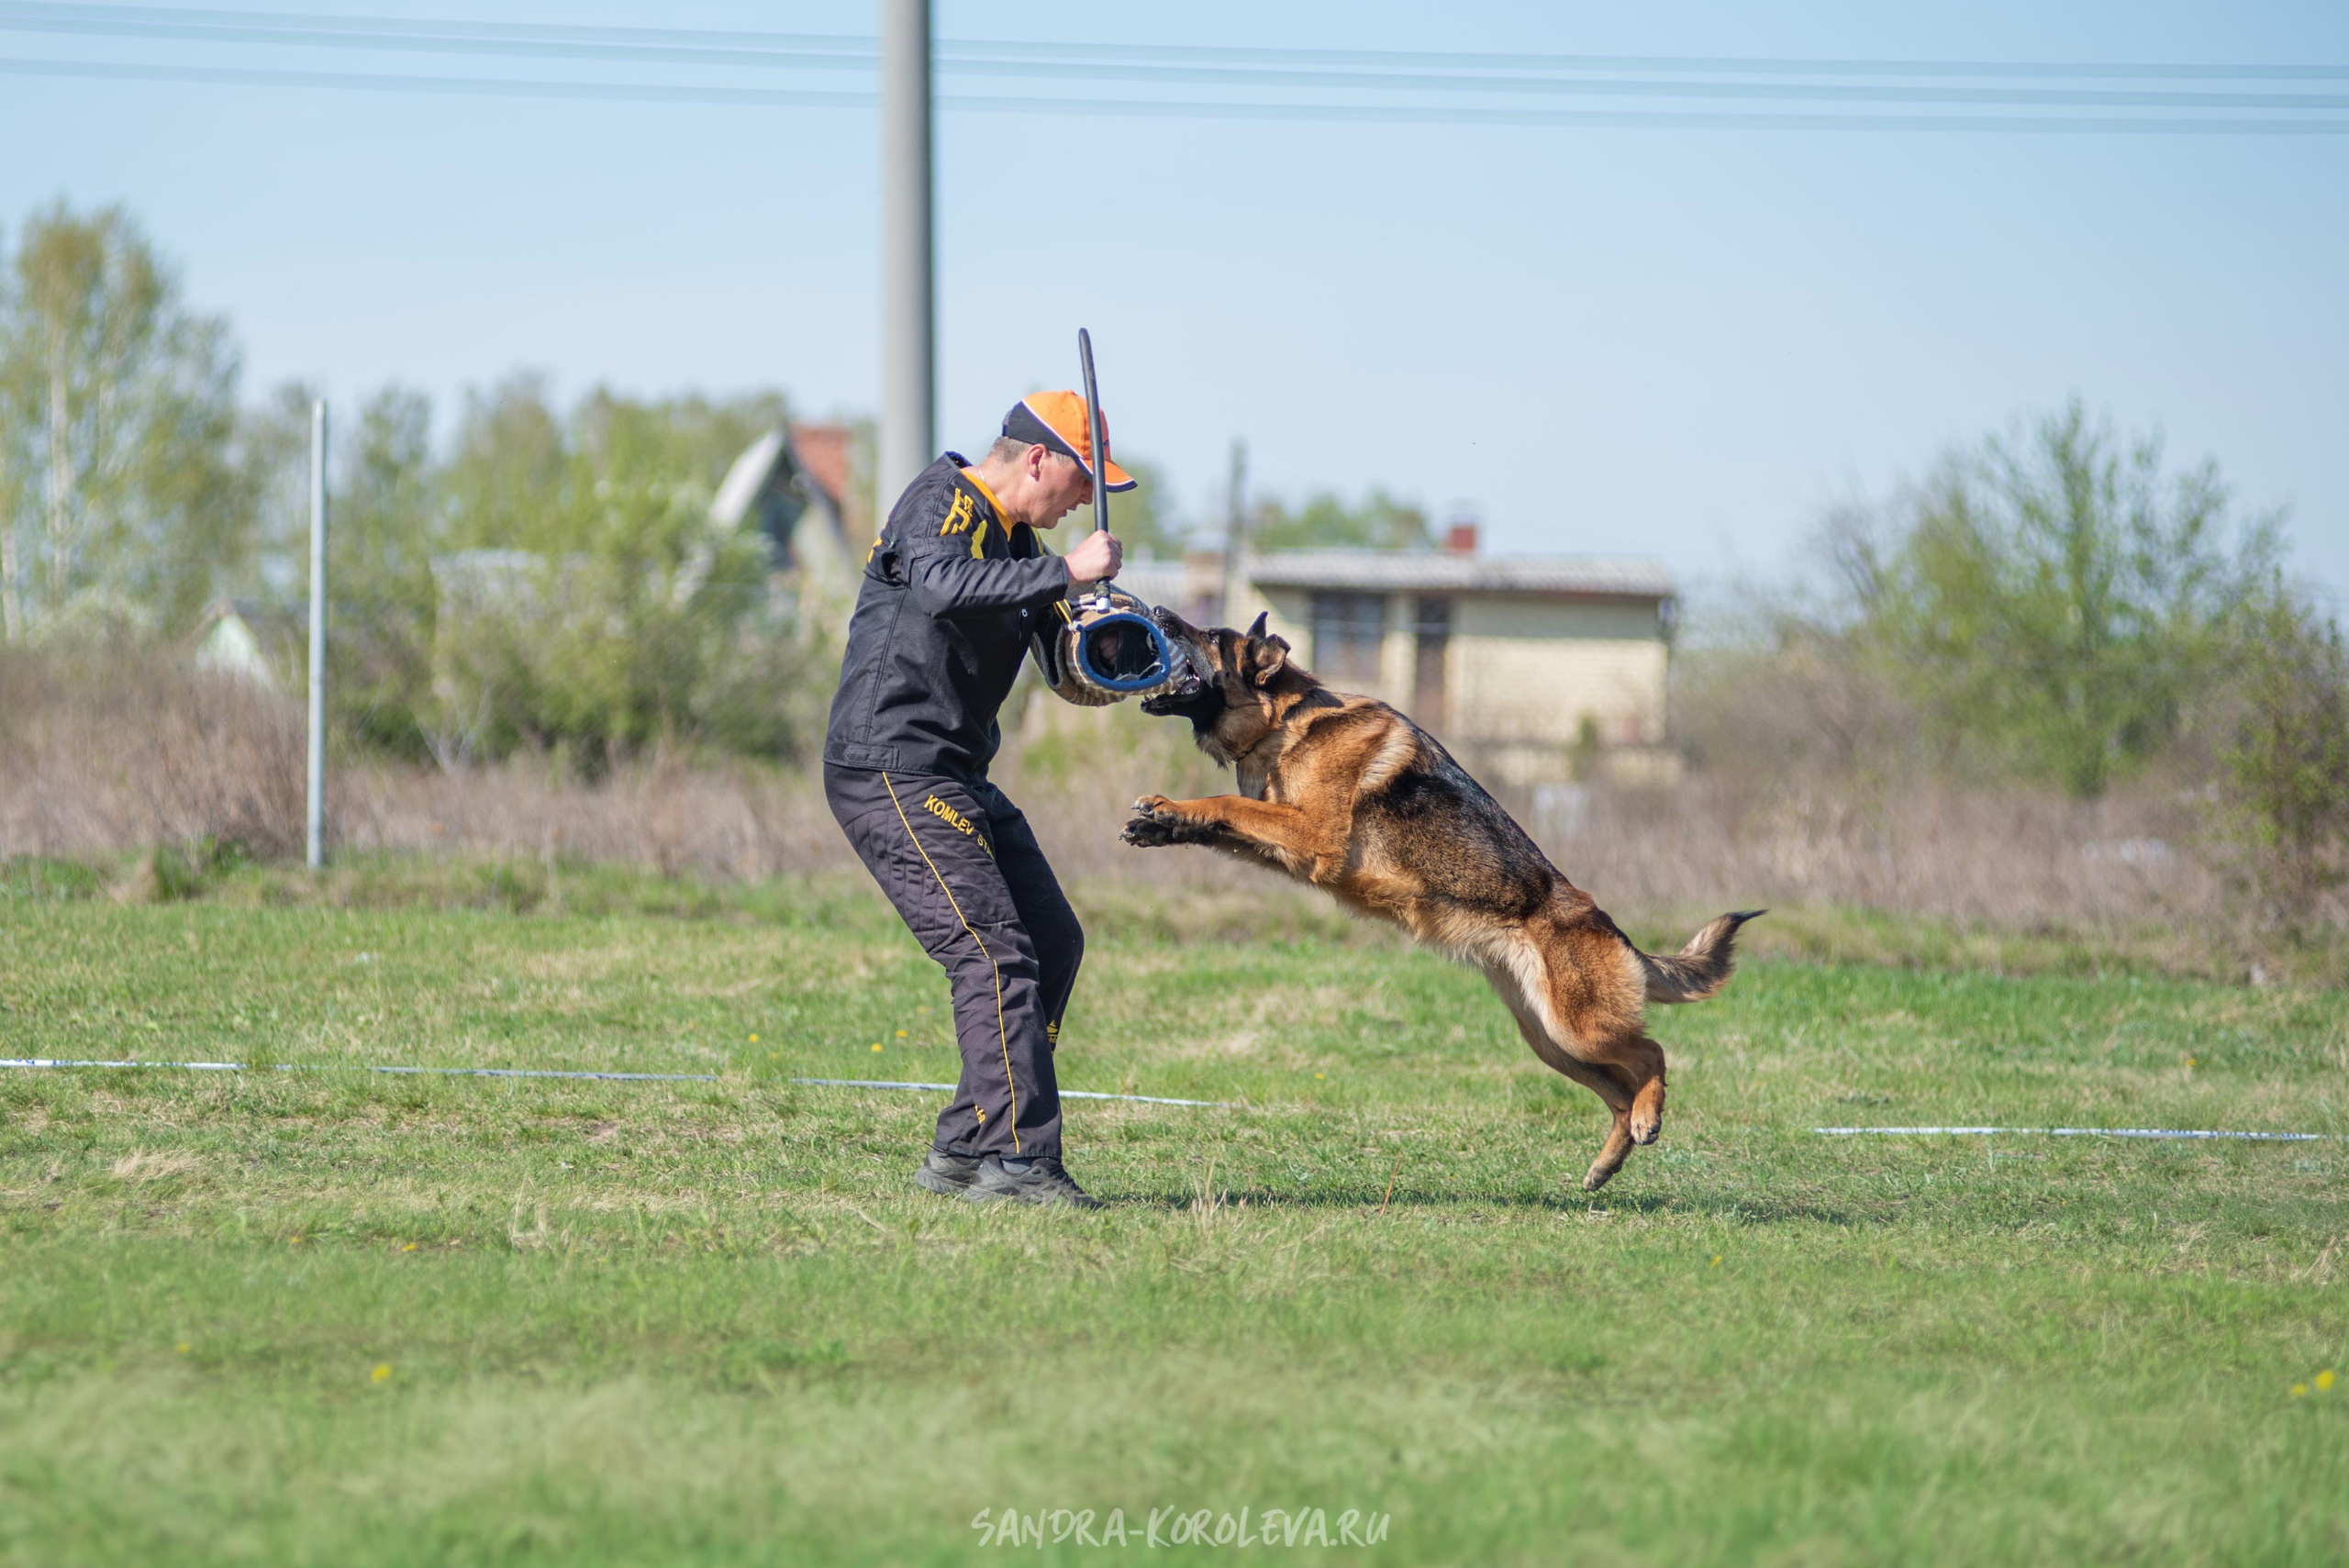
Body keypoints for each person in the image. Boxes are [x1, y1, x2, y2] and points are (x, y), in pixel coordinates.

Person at [822, 392, 1129, 1208]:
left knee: (1051, 940)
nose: (1078, 505)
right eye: (1080, 483)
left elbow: (1068, 657)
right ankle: (1020, 1164)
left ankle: (964, 1149)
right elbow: (944, 585)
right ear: (1039, 459)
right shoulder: (942, 501)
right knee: (992, 952)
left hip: (955, 772)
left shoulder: (1024, 544)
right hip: (890, 765)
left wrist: (1118, 647)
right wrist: (1068, 570)